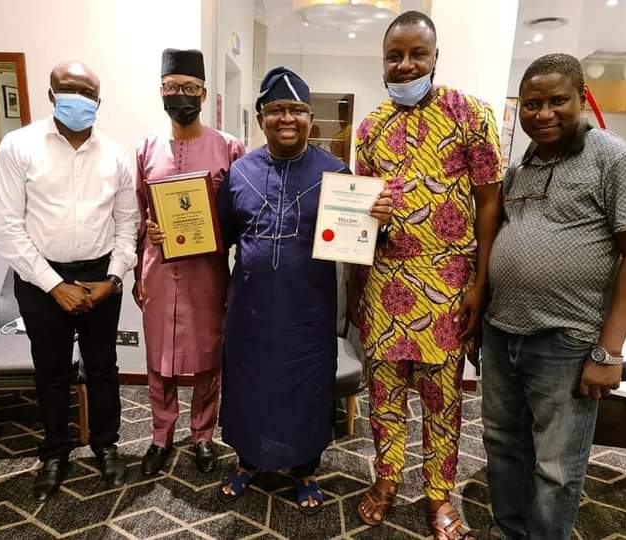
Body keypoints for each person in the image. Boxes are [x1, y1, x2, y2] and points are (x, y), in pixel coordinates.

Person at [213, 66, 393, 515]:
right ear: (261, 118)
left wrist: (379, 222)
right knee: (249, 387)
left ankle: (305, 470)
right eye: (276, 110)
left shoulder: (336, 175)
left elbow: (362, 242)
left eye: (296, 110)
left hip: (307, 311)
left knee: (306, 389)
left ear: (311, 118)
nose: (286, 118)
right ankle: (248, 460)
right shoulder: (239, 173)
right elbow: (219, 237)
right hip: (251, 312)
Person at [352, 11, 502, 538]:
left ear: (436, 57)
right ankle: (387, 479)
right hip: (386, 284)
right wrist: (358, 281)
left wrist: (481, 283)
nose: (406, 65)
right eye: (394, 56)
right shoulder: (370, 128)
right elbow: (361, 212)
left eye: (417, 54)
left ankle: (439, 494)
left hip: (448, 286)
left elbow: (489, 203)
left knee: (443, 402)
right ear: (382, 62)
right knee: (385, 395)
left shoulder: (470, 114)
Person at [482, 53, 626, 540]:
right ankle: (509, 531)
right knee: (502, 445)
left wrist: (609, 351)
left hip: (567, 340)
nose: (544, 113)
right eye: (532, 104)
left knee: (555, 466)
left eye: (558, 101)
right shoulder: (522, 167)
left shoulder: (616, 160)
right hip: (502, 332)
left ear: (582, 99)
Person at [0, 61, 138, 501]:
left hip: (100, 276)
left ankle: (106, 446)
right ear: (52, 94)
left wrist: (113, 278)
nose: (78, 98)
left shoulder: (115, 155)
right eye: (68, 88)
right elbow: (6, 228)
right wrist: (55, 285)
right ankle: (55, 452)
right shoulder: (18, 147)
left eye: (87, 92)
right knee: (52, 371)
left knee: (103, 367)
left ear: (98, 101)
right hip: (40, 278)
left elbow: (127, 224)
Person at [135, 48, 244, 476]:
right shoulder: (146, 147)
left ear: (203, 92)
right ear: (161, 91)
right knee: (158, 359)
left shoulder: (228, 147)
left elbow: (240, 212)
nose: (180, 94)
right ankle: (160, 435)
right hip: (159, 271)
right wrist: (144, 250)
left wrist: (218, 233)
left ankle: (202, 435)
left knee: (207, 356)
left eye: (189, 87)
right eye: (172, 87)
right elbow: (138, 213)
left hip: (207, 272)